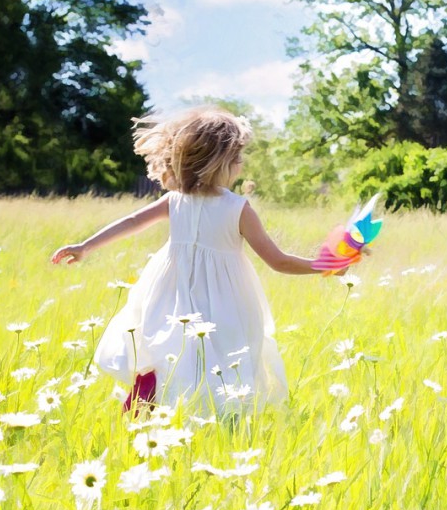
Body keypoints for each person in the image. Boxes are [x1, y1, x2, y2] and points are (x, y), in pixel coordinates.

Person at [51, 107, 322, 414]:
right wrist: (323, 265)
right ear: (217, 163)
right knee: (218, 360)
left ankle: (148, 414)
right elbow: (278, 260)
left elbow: (132, 221)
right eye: (236, 158)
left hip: (170, 291)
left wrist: (86, 246)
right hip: (222, 299)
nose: (241, 164)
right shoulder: (237, 208)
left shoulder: (176, 199)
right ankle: (203, 419)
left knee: (167, 350)